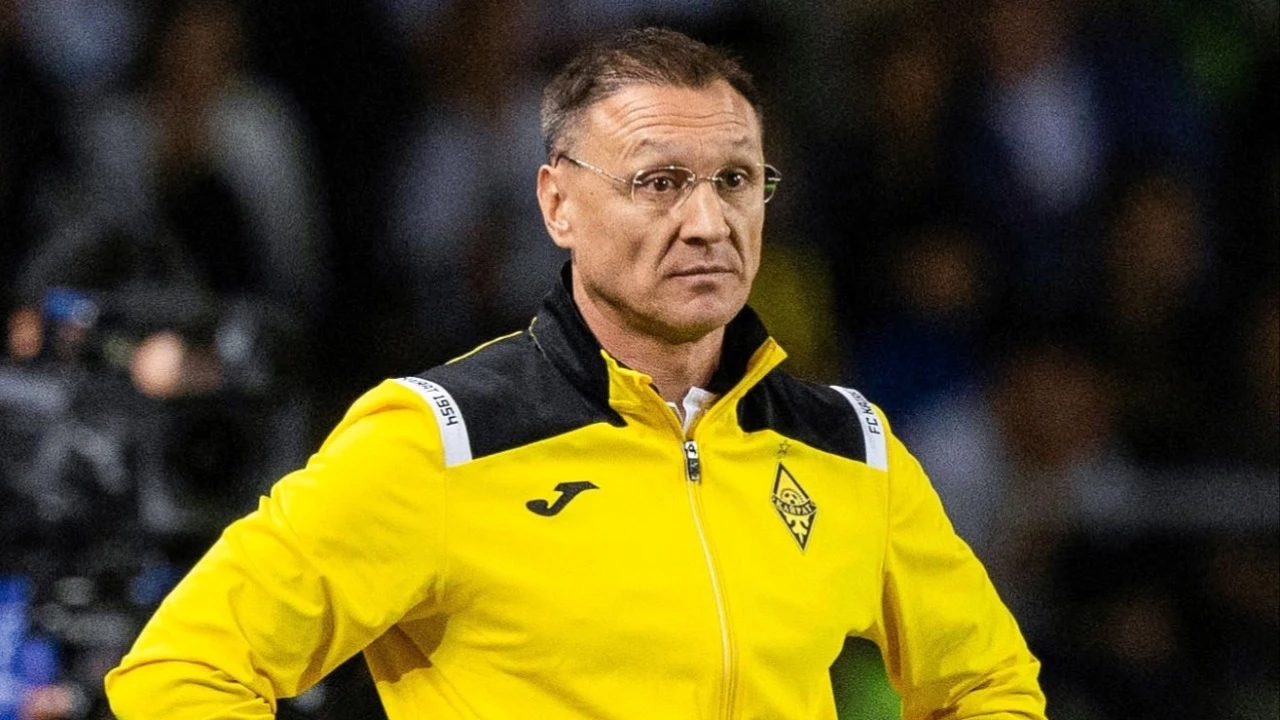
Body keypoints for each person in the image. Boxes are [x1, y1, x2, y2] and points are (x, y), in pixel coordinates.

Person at [105, 27, 1047, 719]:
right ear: (557, 203)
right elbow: (182, 669)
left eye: (735, 180)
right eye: (660, 182)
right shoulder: (442, 439)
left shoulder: (850, 448)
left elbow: (991, 687)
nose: (709, 223)